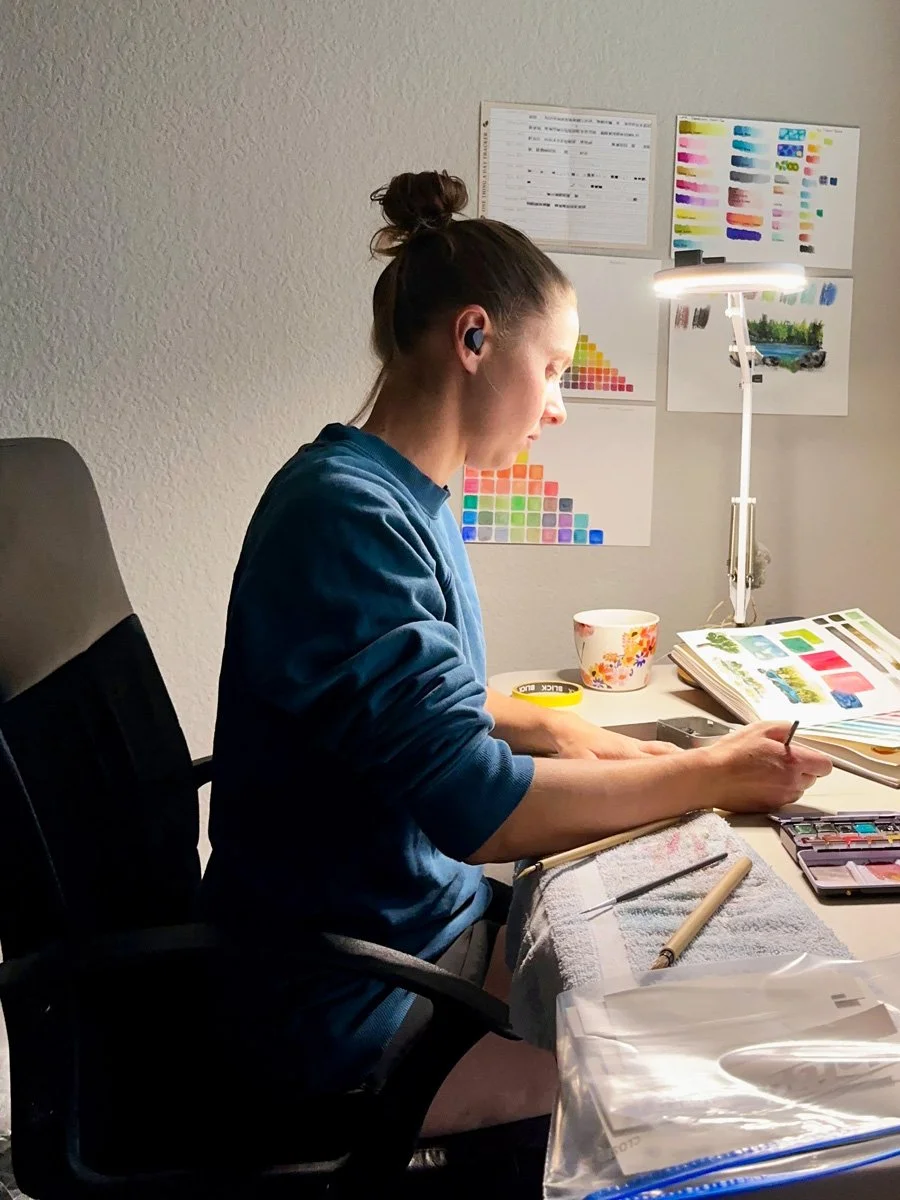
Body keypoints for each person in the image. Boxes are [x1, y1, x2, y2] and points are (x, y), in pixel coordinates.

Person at [201, 169, 832, 1136]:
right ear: (473, 338)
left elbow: (427, 702)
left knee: (684, 966)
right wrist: (710, 776)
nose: (559, 407)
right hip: (339, 1006)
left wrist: (582, 737)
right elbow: (478, 812)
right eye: (554, 370)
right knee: (693, 1083)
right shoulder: (346, 518)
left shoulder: (391, 495)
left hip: (408, 936)